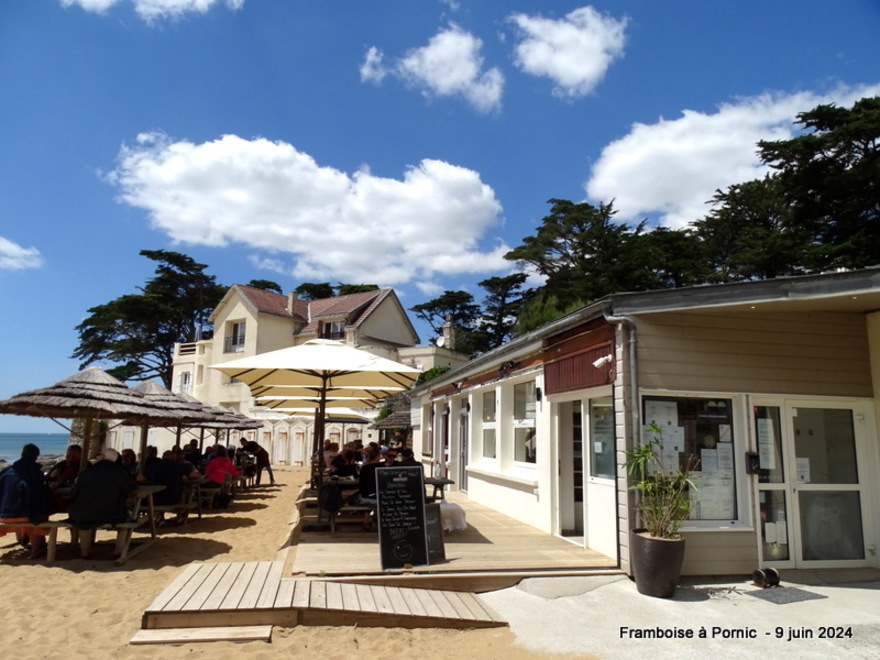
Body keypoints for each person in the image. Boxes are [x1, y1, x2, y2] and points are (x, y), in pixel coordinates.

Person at [68, 448, 137, 559]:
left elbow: (74, 492)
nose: (97, 456)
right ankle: (118, 550)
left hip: (85, 514)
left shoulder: (86, 473)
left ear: (103, 457)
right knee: (126, 518)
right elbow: (131, 488)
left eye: (99, 455)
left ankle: (84, 552)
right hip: (113, 514)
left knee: (83, 521)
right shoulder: (120, 472)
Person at [0, 443, 51, 559]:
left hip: (3, 514)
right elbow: (42, 494)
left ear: (22, 454)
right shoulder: (35, 473)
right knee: (38, 514)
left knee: (26, 509)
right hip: (24, 516)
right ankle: (36, 550)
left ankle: (24, 540)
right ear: (36, 457)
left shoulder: (6, 472)